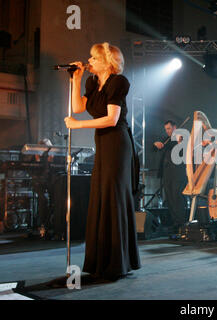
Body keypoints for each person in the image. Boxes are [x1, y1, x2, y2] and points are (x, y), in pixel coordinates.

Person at [64, 42, 141, 281]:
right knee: (101, 195)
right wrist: (75, 79)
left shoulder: (119, 82)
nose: (90, 61)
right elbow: (78, 107)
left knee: (113, 196)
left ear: (107, 62)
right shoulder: (92, 83)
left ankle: (118, 261)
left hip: (118, 143)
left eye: (94, 58)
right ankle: (102, 260)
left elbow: (111, 119)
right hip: (103, 144)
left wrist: (78, 126)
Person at [153, 120, 187, 238]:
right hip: (167, 173)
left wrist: (178, 142)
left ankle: (182, 223)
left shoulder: (181, 137)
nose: (168, 131)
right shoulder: (165, 139)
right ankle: (175, 223)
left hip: (178, 173)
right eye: (166, 129)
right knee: (170, 198)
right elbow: (155, 149)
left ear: (175, 127)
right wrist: (156, 145)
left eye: (169, 128)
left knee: (178, 197)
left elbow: (181, 150)